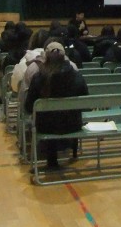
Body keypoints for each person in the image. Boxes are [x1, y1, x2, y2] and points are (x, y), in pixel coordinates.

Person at [24, 42, 88, 170]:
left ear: (46, 58)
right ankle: (72, 151)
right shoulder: (77, 76)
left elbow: (29, 106)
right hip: (73, 124)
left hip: (45, 127)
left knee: (49, 118)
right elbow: (86, 102)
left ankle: (51, 161)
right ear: (64, 57)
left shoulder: (39, 78)